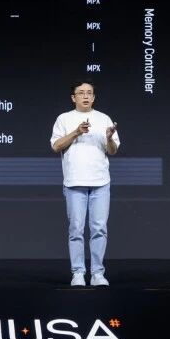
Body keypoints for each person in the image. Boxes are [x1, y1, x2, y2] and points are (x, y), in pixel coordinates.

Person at [50, 81, 119, 287]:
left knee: (99, 229)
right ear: (74, 98)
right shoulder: (64, 118)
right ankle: (78, 273)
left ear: (94, 97)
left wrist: (109, 138)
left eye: (89, 93)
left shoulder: (104, 118)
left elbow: (112, 150)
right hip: (74, 182)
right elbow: (56, 146)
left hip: (101, 182)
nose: (86, 96)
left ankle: (98, 273)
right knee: (76, 230)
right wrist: (76, 132)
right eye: (81, 93)